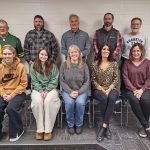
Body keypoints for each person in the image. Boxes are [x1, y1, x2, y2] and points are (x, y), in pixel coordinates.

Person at [30, 47, 60, 141]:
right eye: (41, 54)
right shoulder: (33, 66)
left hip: (51, 89)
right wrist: (40, 90)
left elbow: (54, 80)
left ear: (48, 56)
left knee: (48, 101)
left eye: (45, 55)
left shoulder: (53, 66)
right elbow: (34, 81)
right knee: (38, 101)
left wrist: (46, 90)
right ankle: (40, 129)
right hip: (37, 89)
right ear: (38, 55)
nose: (43, 56)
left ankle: (48, 130)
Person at [91, 43, 119, 142]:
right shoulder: (95, 64)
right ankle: (107, 127)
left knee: (111, 98)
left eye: (108, 49)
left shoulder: (114, 63)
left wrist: (109, 89)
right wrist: (102, 90)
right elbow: (93, 80)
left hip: (112, 89)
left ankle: (103, 126)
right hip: (98, 89)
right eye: (104, 49)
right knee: (104, 98)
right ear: (100, 51)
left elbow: (116, 79)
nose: (106, 51)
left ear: (110, 51)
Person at [123, 43, 150, 140]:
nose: (136, 52)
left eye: (138, 50)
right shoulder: (127, 63)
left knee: (146, 100)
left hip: (145, 89)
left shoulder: (147, 62)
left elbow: (149, 78)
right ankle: (146, 127)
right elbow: (125, 78)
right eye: (134, 51)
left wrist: (142, 90)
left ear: (141, 51)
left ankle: (144, 125)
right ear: (131, 52)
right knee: (134, 101)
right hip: (131, 89)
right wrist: (135, 90)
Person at [60, 44, 89, 135]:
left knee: (80, 103)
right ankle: (70, 124)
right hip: (67, 90)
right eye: (72, 52)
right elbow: (62, 81)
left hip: (81, 91)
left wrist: (78, 92)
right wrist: (70, 91)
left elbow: (87, 81)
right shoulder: (64, 65)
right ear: (69, 54)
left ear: (79, 53)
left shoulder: (84, 65)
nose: (74, 54)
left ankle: (79, 124)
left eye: (76, 52)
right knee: (69, 103)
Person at [0, 45, 27, 142]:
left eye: (9, 54)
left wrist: (11, 95)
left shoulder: (20, 67)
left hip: (18, 93)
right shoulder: (0, 67)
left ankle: (18, 131)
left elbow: (23, 84)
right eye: (5, 54)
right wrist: (3, 94)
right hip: (4, 93)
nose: (7, 56)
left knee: (11, 108)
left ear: (14, 54)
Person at [121, 17, 148, 100]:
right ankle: (125, 99)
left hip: (139, 61)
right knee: (125, 80)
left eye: (137, 24)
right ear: (130, 25)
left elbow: (145, 49)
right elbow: (122, 49)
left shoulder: (144, 37)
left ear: (140, 25)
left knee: (139, 80)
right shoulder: (125, 36)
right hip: (126, 60)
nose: (135, 26)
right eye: (133, 24)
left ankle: (138, 93)